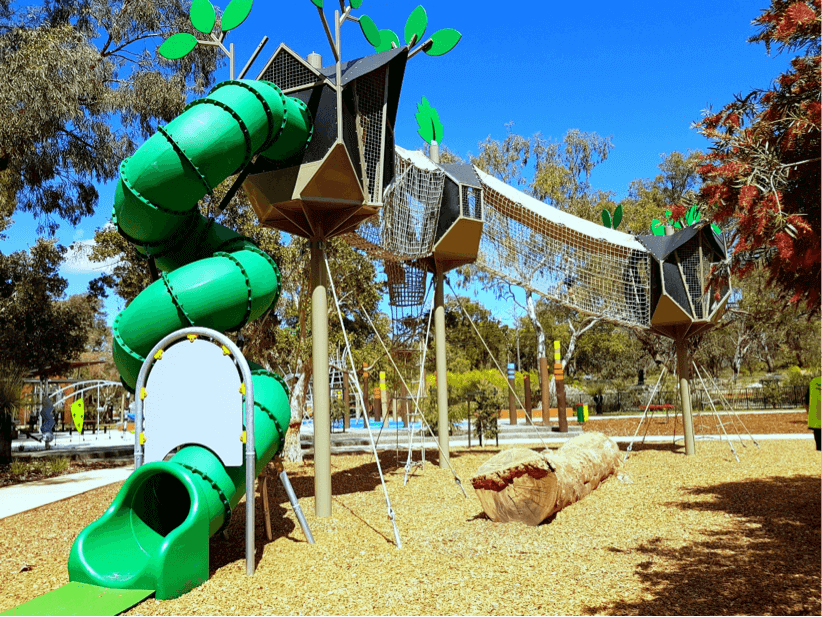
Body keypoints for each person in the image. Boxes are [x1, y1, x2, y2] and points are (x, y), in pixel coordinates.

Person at [806, 376, 821, 452]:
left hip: (816, 420)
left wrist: (809, 413)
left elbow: (806, 402)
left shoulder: (813, 382)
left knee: (819, 448)